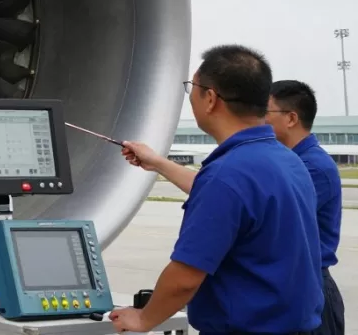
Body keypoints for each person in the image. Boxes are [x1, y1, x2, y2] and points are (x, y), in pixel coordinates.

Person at [111, 45, 323, 334]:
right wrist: (157, 162)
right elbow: (233, 196)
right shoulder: (288, 161)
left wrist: (143, 318)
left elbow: (185, 278)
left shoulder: (227, 175)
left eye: (192, 88)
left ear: (210, 98)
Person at [267, 80, 345, 335]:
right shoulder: (288, 162)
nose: (257, 120)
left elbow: (267, 216)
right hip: (290, 288)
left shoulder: (313, 168)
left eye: (264, 112)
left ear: (291, 118)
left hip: (309, 291)